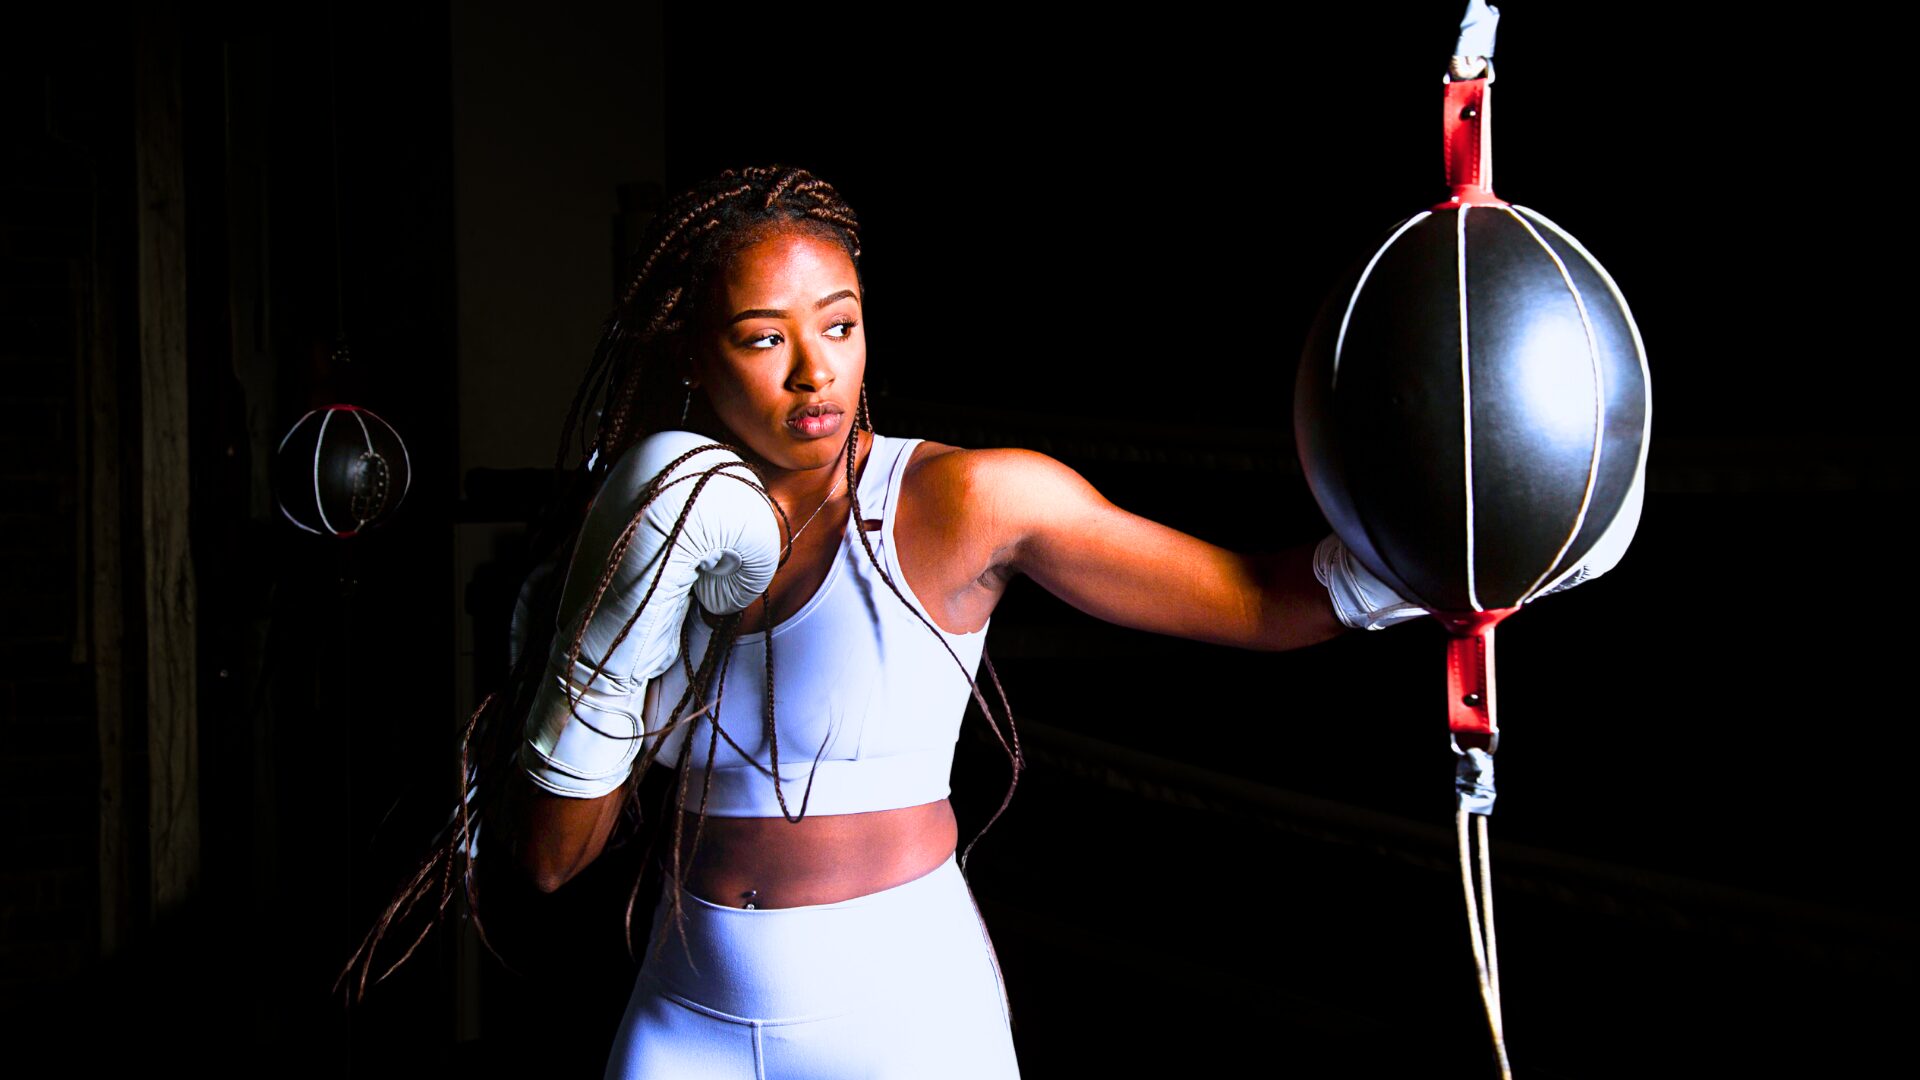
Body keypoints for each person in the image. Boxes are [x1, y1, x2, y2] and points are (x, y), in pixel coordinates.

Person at [338, 163, 1631, 1079]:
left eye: (838, 326)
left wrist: (1458, 551)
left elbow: (1253, 598)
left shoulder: (963, 502)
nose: (813, 372)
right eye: (762, 337)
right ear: (696, 356)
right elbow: (552, 862)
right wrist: (603, 625)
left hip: (903, 1019)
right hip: (683, 1011)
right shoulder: (654, 526)